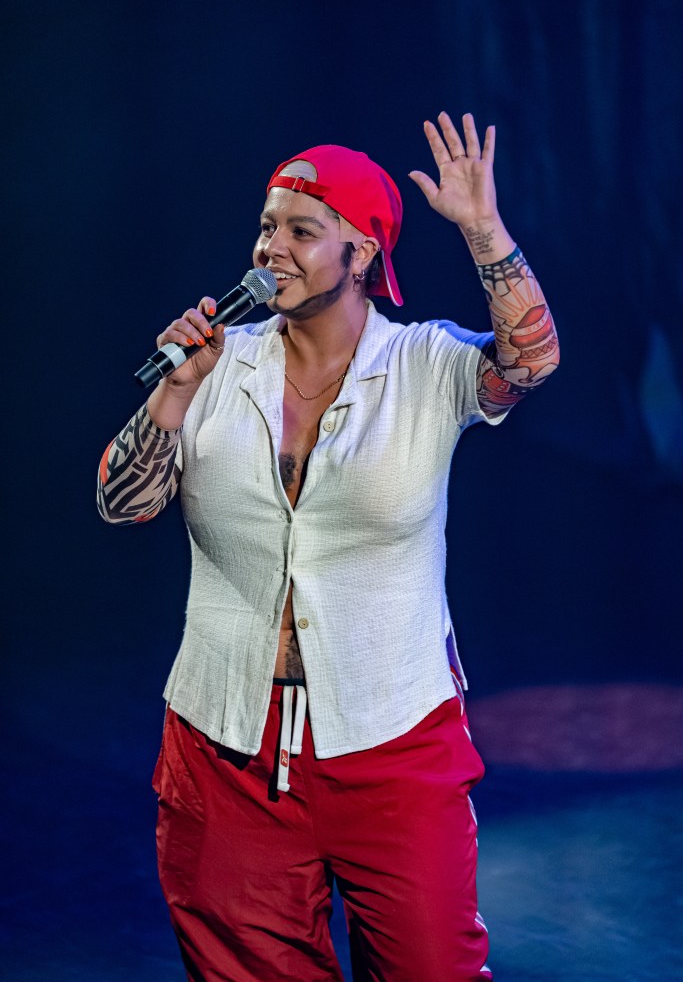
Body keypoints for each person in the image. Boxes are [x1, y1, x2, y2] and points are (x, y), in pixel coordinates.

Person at [98, 111, 559, 982]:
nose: (270, 246)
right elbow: (123, 507)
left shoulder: (426, 363)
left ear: (364, 257)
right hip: (226, 745)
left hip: (391, 740)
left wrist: (482, 230)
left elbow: (530, 363)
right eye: (267, 225)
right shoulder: (217, 364)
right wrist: (170, 398)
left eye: (301, 230)